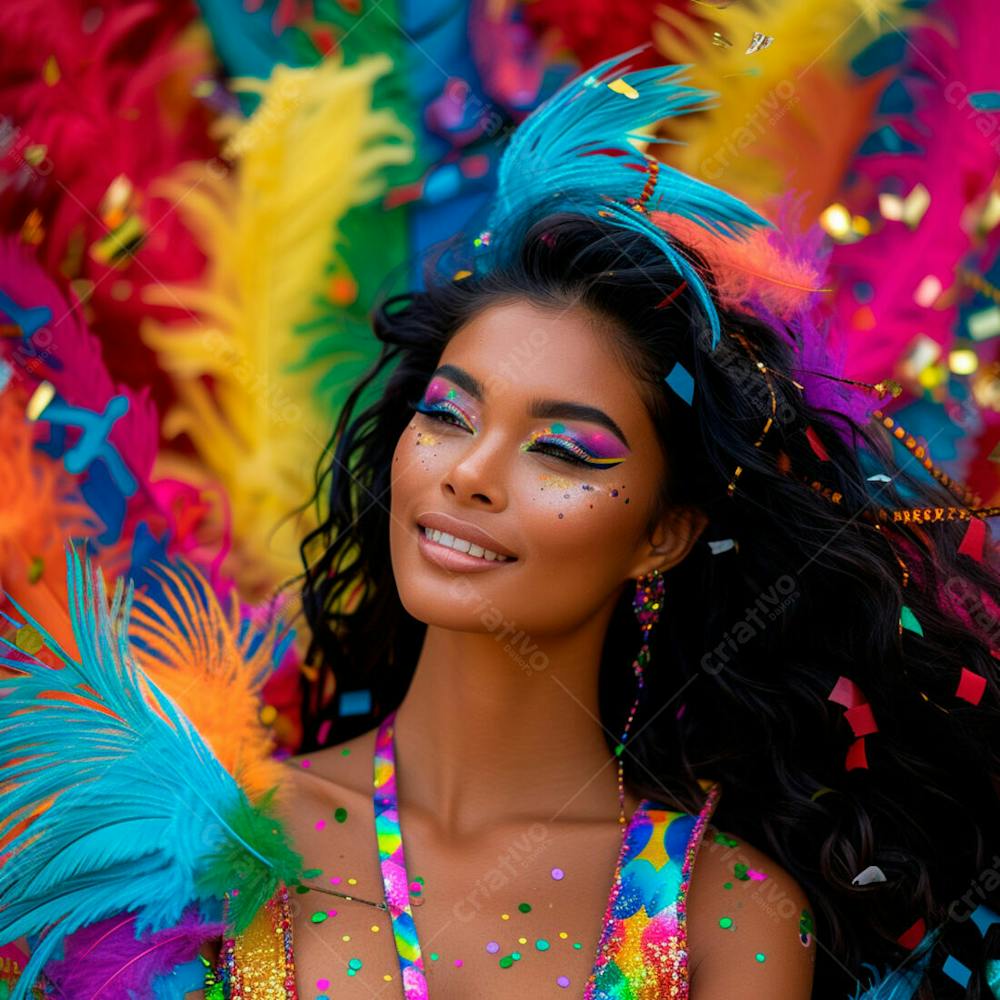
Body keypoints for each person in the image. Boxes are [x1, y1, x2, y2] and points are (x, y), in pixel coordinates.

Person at [2, 48, 998, 1000]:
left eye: (563, 449)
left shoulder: (719, 915)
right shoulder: (201, 842)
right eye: (447, 414)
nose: (471, 473)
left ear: (665, 531)